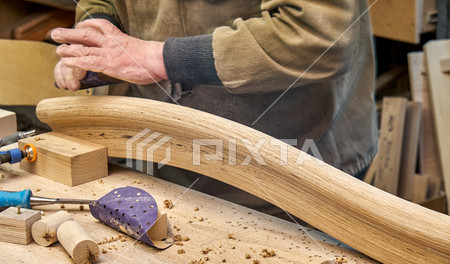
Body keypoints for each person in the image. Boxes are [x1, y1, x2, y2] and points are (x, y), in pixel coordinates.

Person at [52, 0, 378, 216]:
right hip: (163, 152)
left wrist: (158, 59)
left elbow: (320, 33)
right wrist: (97, 29)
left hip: (289, 163)